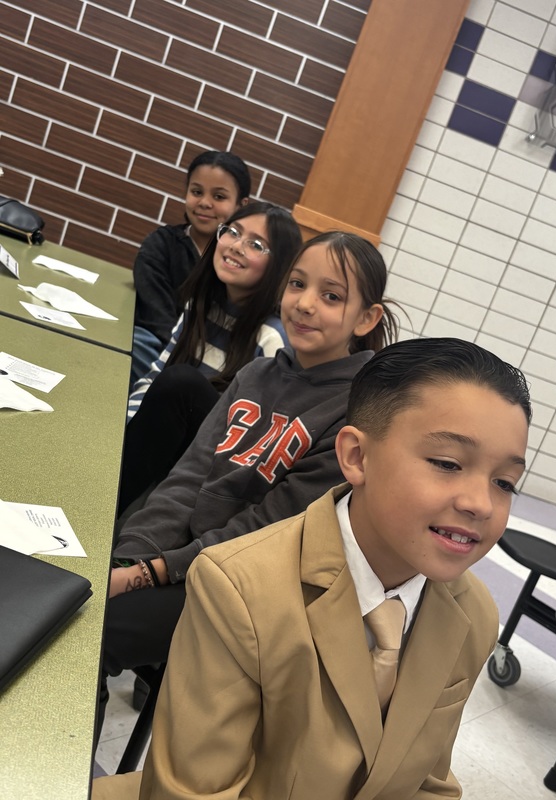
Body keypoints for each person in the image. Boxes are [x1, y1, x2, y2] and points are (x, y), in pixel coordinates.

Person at [93, 336, 531, 799]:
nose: (481, 503)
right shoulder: (241, 590)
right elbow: (192, 791)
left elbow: (428, 781)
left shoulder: (473, 615)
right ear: (356, 457)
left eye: (504, 482)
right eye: (446, 463)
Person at [95, 231, 400, 744]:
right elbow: (187, 479)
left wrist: (152, 572)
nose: (305, 304)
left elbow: (267, 532)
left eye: (331, 296)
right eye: (298, 284)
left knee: (89, 635)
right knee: (75, 592)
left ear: (365, 319)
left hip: (251, 593)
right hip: (188, 563)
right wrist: (130, 558)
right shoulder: (257, 373)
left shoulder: (357, 412)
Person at [119, 201, 302, 516]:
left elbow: (255, 446)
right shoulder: (201, 304)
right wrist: (127, 430)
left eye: (256, 244)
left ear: (280, 267)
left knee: (182, 384)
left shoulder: (272, 338)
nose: (236, 246)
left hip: (217, 468)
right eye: (232, 232)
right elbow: (153, 376)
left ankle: (106, 509)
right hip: (171, 440)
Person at [131, 150, 251, 385]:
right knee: (136, 343)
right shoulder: (161, 245)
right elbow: (157, 320)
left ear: (241, 205)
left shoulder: (241, 261)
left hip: (218, 370)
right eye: (196, 192)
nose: (205, 203)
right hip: (162, 351)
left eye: (219, 196)